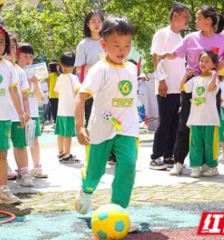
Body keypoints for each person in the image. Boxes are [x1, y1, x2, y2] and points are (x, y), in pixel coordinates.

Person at [74, 15, 140, 232]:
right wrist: (79, 126)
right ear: (103, 44)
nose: (122, 50)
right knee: (95, 172)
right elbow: (81, 96)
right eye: (116, 45)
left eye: (127, 45)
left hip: (127, 130)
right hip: (100, 130)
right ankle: (86, 190)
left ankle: (119, 209)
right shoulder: (99, 69)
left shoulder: (132, 68)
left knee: (128, 165)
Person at [159, 5, 224, 175]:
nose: (194, 20)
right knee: (185, 123)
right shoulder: (190, 38)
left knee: (209, 125)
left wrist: (219, 68)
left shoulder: (222, 40)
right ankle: (179, 161)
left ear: (208, 20)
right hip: (192, 85)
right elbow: (175, 53)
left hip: (212, 86)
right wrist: (164, 54)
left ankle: (207, 164)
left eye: (198, 18)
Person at [150, 3, 190, 170]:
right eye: (185, 17)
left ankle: (168, 156)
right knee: (165, 122)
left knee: (175, 123)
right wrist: (161, 81)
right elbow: (156, 58)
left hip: (178, 87)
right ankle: (156, 157)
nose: (188, 21)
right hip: (165, 86)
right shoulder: (162, 34)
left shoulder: (180, 38)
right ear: (175, 15)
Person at [180, 51, 220, 177]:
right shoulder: (195, 80)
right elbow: (181, 88)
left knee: (210, 145)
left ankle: (212, 167)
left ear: (214, 64)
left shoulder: (215, 80)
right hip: (195, 119)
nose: (203, 63)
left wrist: (214, 75)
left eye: (207, 61)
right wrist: (186, 75)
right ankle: (195, 167)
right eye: (201, 61)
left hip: (210, 119)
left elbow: (210, 88)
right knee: (195, 144)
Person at [0, 26, 26, 204]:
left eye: (2, 41)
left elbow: (15, 92)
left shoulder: (9, 67)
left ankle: (3, 190)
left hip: (4, 118)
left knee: (2, 155)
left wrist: (21, 113)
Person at [6, 34, 33, 186]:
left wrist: (26, 112)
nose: (10, 50)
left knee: (20, 145)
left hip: (17, 116)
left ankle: (24, 172)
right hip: (3, 116)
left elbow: (24, 95)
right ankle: (5, 170)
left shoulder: (20, 71)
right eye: (7, 46)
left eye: (13, 47)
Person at [18, 43, 48, 178]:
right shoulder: (15, 73)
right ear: (16, 57)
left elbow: (39, 97)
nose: (29, 59)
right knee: (20, 143)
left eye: (30, 56)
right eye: (25, 56)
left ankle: (37, 167)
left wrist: (35, 85)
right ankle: (22, 169)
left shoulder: (34, 76)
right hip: (19, 114)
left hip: (33, 114)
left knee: (34, 140)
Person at [75, 10, 105, 127]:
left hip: (107, 86)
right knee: (92, 120)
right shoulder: (83, 44)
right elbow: (78, 69)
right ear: (87, 24)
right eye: (93, 21)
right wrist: (98, 64)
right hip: (91, 88)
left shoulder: (107, 41)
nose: (97, 24)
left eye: (99, 21)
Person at [54, 52, 81, 163]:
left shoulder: (60, 77)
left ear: (61, 65)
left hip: (61, 111)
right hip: (70, 111)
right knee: (68, 134)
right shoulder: (73, 78)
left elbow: (56, 93)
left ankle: (61, 153)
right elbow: (78, 91)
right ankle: (67, 154)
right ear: (74, 65)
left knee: (61, 133)